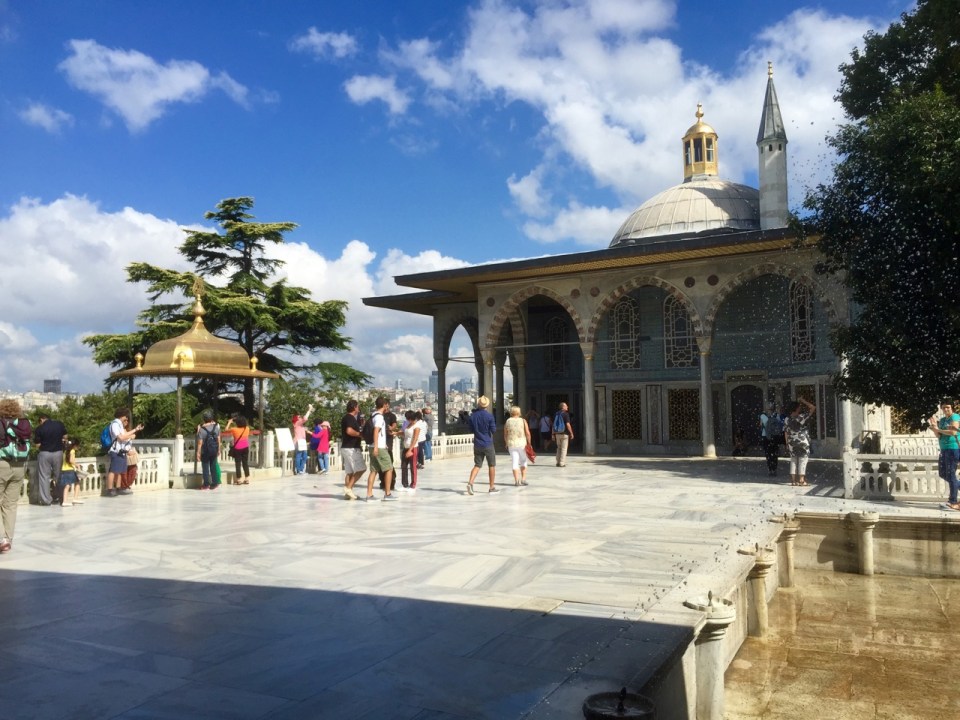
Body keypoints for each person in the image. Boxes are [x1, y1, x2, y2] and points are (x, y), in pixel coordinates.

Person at [0, 399, 32, 553]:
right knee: (11, 504)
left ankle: (1, 539)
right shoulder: (24, 423)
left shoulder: (1, 423)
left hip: (2, 463)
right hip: (19, 465)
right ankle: (8, 538)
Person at [364, 396, 398, 502]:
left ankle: (369, 495)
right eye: (386, 404)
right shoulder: (379, 417)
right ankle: (387, 494)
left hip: (374, 446)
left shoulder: (373, 415)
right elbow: (376, 431)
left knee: (374, 470)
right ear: (384, 405)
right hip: (378, 447)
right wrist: (377, 447)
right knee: (389, 468)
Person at [928, 401, 960, 511]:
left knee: (951, 475)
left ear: (952, 408)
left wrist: (938, 429)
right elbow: (938, 435)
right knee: (942, 473)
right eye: (943, 408)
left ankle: (953, 502)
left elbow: (953, 432)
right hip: (943, 449)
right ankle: (955, 493)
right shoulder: (942, 420)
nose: (945, 409)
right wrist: (934, 427)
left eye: (948, 407)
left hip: (953, 449)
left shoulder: (955, 416)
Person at [106, 408, 142, 497]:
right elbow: (121, 437)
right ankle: (110, 489)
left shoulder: (120, 425)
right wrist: (133, 432)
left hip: (122, 451)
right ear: (122, 416)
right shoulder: (114, 424)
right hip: (116, 451)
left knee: (120, 471)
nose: (126, 419)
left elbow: (124, 436)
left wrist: (136, 429)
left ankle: (119, 488)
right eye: (126, 417)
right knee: (113, 470)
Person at [33, 412, 66, 506]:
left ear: (41, 419)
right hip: (58, 453)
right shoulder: (59, 424)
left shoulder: (39, 429)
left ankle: (46, 500)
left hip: (45, 453)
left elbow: (37, 445)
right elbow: (65, 436)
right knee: (59, 476)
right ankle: (61, 497)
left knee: (44, 477)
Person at [466, 395, 498, 495]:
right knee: (491, 465)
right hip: (488, 443)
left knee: (477, 465)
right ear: (487, 405)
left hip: (477, 443)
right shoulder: (489, 416)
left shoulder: (473, 416)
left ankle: (470, 483)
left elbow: (471, 429)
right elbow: (493, 430)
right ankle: (491, 487)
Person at [784, 397, 816, 487]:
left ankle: (793, 480)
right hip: (802, 441)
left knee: (793, 460)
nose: (800, 408)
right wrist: (803, 400)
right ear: (796, 408)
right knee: (803, 460)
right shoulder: (801, 417)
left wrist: (786, 443)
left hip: (791, 441)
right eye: (799, 407)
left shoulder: (787, 419)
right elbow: (813, 408)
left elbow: (786, 432)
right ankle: (801, 480)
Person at [340, 400, 364, 500]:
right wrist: (360, 434)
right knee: (361, 469)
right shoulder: (349, 418)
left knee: (349, 472)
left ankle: (348, 494)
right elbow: (349, 431)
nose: (358, 408)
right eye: (357, 406)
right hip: (351, 448)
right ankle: (348, 488)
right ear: (354, 407)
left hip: (345, 447)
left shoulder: (347, 418)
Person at [224, 414, 257, 485]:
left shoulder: (234, 429)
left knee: (238, 464)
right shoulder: (247, 428)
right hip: (245, 447)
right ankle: (247, 478)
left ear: (237, 423)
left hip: (237, 448)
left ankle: (239, 479)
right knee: (245, 463)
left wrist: (230, 422)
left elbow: (225, 430)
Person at [504, 406, 531, 487]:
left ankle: (516, 481)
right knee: (523, 460)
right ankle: (523, 479)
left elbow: (505, 434)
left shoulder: (508, 421)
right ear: (519, 412)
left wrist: (506, 442)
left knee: (515, 462)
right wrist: (529, 443)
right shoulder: (523, 421)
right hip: (522, 444)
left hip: (511, 444)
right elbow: (527, 433)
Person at [196, 410, 221, 490]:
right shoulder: (216, 427)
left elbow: (200, 443)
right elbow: (218, 439)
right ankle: (215, 483)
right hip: (214, 450)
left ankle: (206, 485)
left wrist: (198, 453)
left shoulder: (202, 429)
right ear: (211, 418)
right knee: (213, 466)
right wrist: (219, 449)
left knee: (205, 467)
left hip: (205, 451)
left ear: (204, 419)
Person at [759, 403, 784, 476]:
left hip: (765, 436)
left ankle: (770, 469)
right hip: (775, 437)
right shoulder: (777, 415)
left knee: (768, 453)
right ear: (774, 408)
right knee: (775, 453)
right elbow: (780, 425)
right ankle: (774, 469)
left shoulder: (763, 416)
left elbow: (760, 425)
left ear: (767, 409)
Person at [59, 436, 84, 507]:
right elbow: (71, 460)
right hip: (69, 470)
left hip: (64, 469)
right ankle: (68, 500)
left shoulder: (65, 451)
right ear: (75, 445)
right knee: (73, 484)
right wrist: (77, 465)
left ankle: (69, 500)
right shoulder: (72, 451)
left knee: (71, 484)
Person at [400, 410, 421, 491]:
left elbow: (415, 439)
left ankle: (413, 484)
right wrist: (395, 433)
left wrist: (410, 450)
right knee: (404, 466)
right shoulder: (409, 424)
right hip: (405, 447)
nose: (406, 419)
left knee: (413, 467)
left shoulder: (416, 426)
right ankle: (404, 484)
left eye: (407, 418)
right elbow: (404, 433)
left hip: (413, 448)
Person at [291, 404, 314, 475]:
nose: (300, 417)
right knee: (299, 455)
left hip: (302, 441)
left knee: (304, 456)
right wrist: (309, 410)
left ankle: (300, 470)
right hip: (298, 441)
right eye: (298, 417)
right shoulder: (296, 423)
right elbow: (305, 419)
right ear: (296, 419)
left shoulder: (300, 425)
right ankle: (299, 470)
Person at [552, 402, 574, 467]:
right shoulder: (566, 414)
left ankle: (557, 462)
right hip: (564, 434)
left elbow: (553, 425)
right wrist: (571, 433)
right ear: (563, 407)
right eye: (566, 406)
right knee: (564, 449)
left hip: (557, 434)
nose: (567, 407)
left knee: (559, 448)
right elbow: (568, 424)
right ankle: (562, 462)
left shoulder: (556, 414)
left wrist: (553, 434)